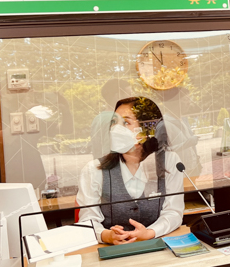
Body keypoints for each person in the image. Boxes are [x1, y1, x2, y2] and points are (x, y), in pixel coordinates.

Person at [77, 97, 184, 245]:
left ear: (146, 130)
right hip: (113, 252)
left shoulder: (170, 161)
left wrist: (150, 233)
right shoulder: (93, 170)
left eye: (126, 122)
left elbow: (174, 212)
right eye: (114, 122)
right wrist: (107, 235)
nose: (115, 129)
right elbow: (87, 220)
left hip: (159, 246)